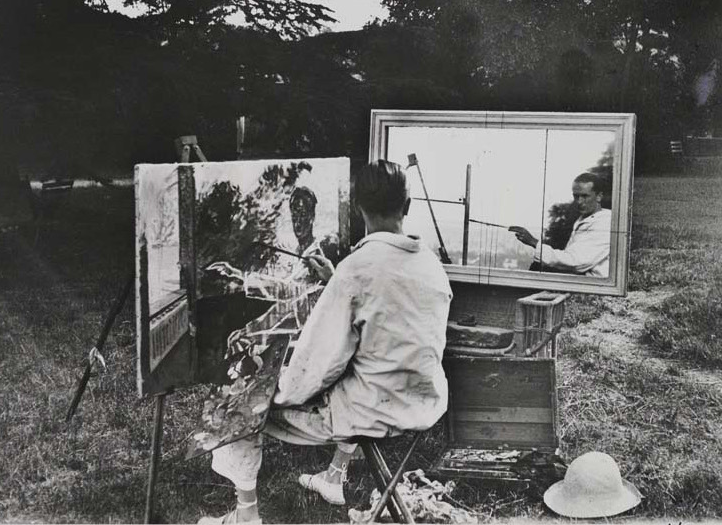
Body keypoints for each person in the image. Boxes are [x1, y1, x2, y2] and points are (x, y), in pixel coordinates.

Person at [198, 160, 452, 525]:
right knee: (356, 371)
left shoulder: (357, 269)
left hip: (372, 412)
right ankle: (333, 476)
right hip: (420, 402)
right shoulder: (431, 267)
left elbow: (319, 363)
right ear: (408, 206)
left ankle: (246, 515)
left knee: (236, 400)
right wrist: (335, 280)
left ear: (359, 208)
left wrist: (275, 392)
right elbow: (386, 314)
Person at [509, 172, 612, 277]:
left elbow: (575, 262)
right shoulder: (584, 219)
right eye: (576, 196)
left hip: (596, 290)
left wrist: (534, 242)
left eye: (585, 196)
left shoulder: (605, 221)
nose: (579, 202)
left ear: (599, 196)